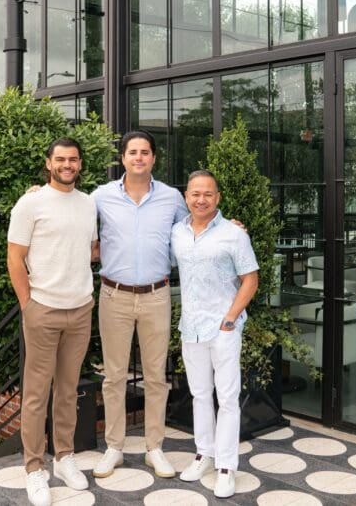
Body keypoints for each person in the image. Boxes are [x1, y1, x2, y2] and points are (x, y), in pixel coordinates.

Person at [90, 131, 187, 480]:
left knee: (157, 376)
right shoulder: (101, 197)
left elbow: (194, 228)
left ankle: (154, 447)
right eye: (132, 152)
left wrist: (227, 226)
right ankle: (114, 447)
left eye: (145, 152)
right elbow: (70, 215)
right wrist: (37, 194)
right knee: (114, 376)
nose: (139, 158)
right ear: (123, 158)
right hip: (113, 295)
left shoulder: (172, 198)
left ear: (154, 159)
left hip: (157, 295)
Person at [7, 137, 98, 506]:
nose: (67, 165)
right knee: (35, 394)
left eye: (73, 159)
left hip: (80, 309)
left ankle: (64, 458)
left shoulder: (88, 203)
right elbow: (15, 258)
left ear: (79, 164)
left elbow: (91, 250)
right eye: (60, 159)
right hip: (42, 309)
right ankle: (33, 469)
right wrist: (28, 305)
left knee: (68, 389)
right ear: (49, 163)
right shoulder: (30, 203)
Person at [171, 170, 259, 499]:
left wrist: (230, 318)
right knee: (199, 395)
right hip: (191, 327)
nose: (201, 199)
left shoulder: (233, 234)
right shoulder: (177, 233)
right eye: (195, 193)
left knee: (228, 398)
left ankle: (226, 467)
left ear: (217, 198)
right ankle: (203, 455)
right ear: (186, 197)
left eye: (208, 194)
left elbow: (250, 279)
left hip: (223, 327)